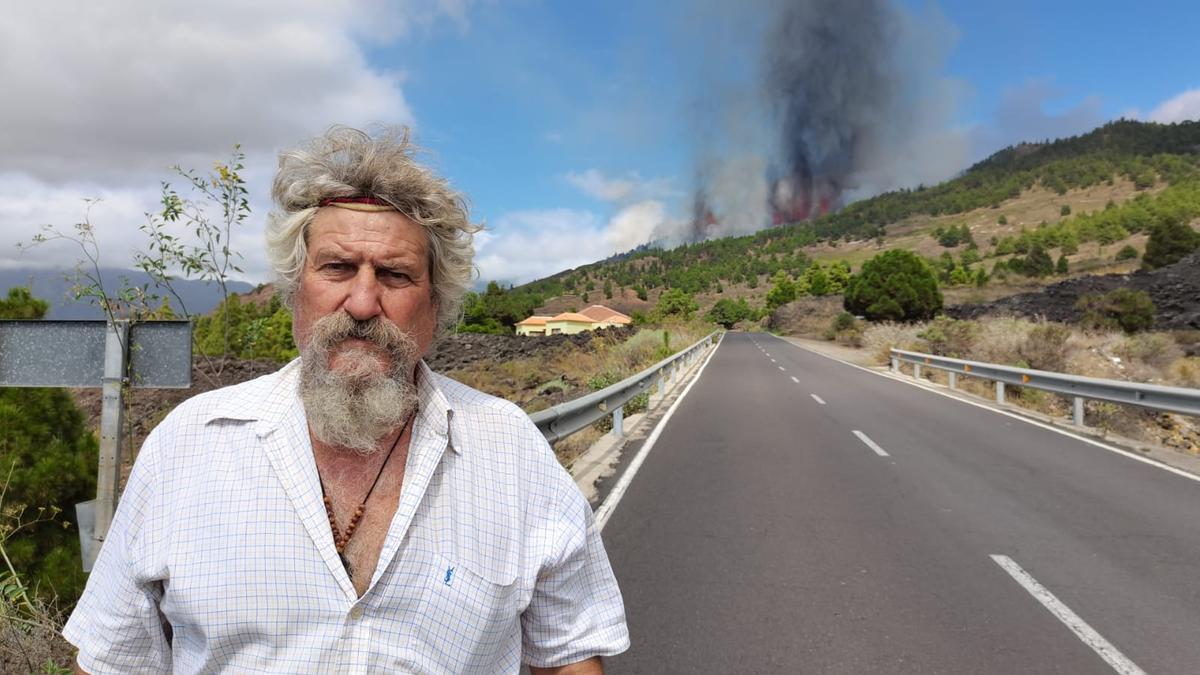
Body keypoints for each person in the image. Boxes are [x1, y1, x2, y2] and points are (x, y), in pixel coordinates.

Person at [63, 126, 629, 673]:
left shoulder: (511, 452)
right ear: (295, 291)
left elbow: (566, 656)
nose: (362, 302)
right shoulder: (188, 445)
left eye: (395, 274)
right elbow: (116, 660)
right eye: (336, 268)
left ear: (435, 306)